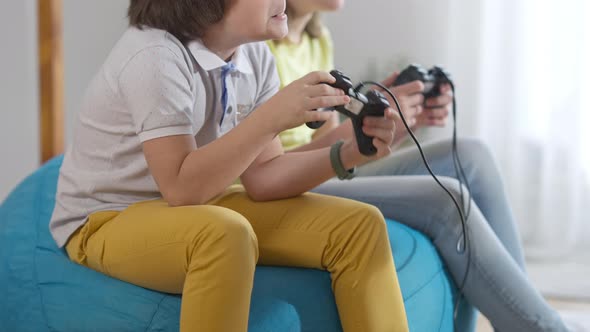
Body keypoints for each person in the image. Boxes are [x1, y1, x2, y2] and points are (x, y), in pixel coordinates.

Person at [49, 1, 411, 331]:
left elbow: (264, 177)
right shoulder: (154, 56)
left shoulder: (254, 57)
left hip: (197, 205)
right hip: (106, 218)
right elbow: (181, 188)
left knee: (359, 226)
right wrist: (271, 117)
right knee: (225, 234)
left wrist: (348, 153)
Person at [267, 0, 577, 331]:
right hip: (289, 185)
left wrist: (398, 123)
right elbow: (271, 168)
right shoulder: (262, 48)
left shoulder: (317, 41)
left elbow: (327, 145)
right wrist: (363, 130)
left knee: (471, 156)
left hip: (321, 172)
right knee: (448, 200)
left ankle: (522, 308)